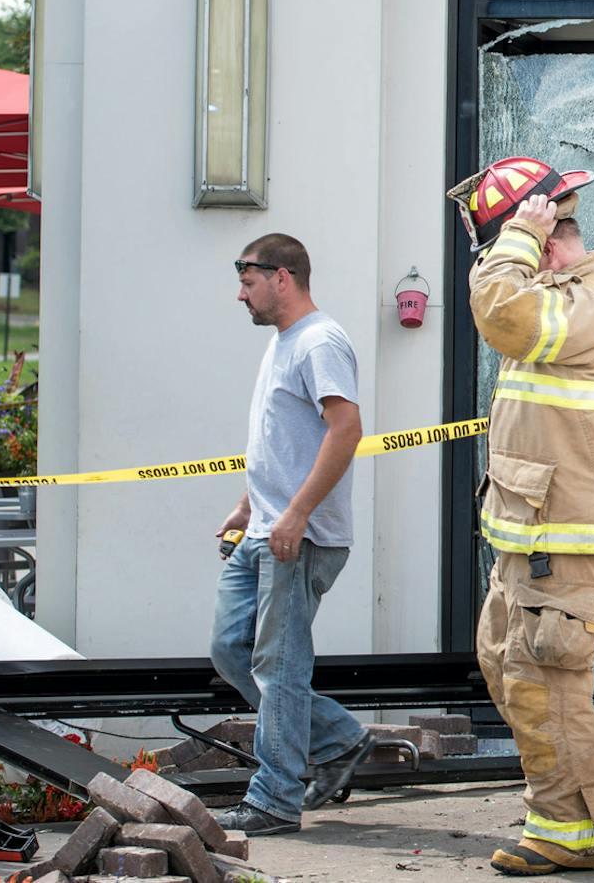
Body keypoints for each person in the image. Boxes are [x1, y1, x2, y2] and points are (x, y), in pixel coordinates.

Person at [455, 156, 594, 876]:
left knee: (544, 681)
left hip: (562, 535)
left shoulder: (591, 302)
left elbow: (500, 313)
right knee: (505, 663)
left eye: (513, 247)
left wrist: (513, 243)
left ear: (544, 239)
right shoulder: (562, 291)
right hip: (529, 529)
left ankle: (568, 829)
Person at [210, 234, 374, 838]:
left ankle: (274, 800)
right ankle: (339, 739)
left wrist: (298, 514)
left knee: (279, 668)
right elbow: (286, 442)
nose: (240, 293)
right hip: (266, 528)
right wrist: (249, 503)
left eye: (248, 280)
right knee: (231, 650)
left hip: (300, 537)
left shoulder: (321, 341)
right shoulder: (284, 343)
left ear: (283, 277)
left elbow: (346, 429)